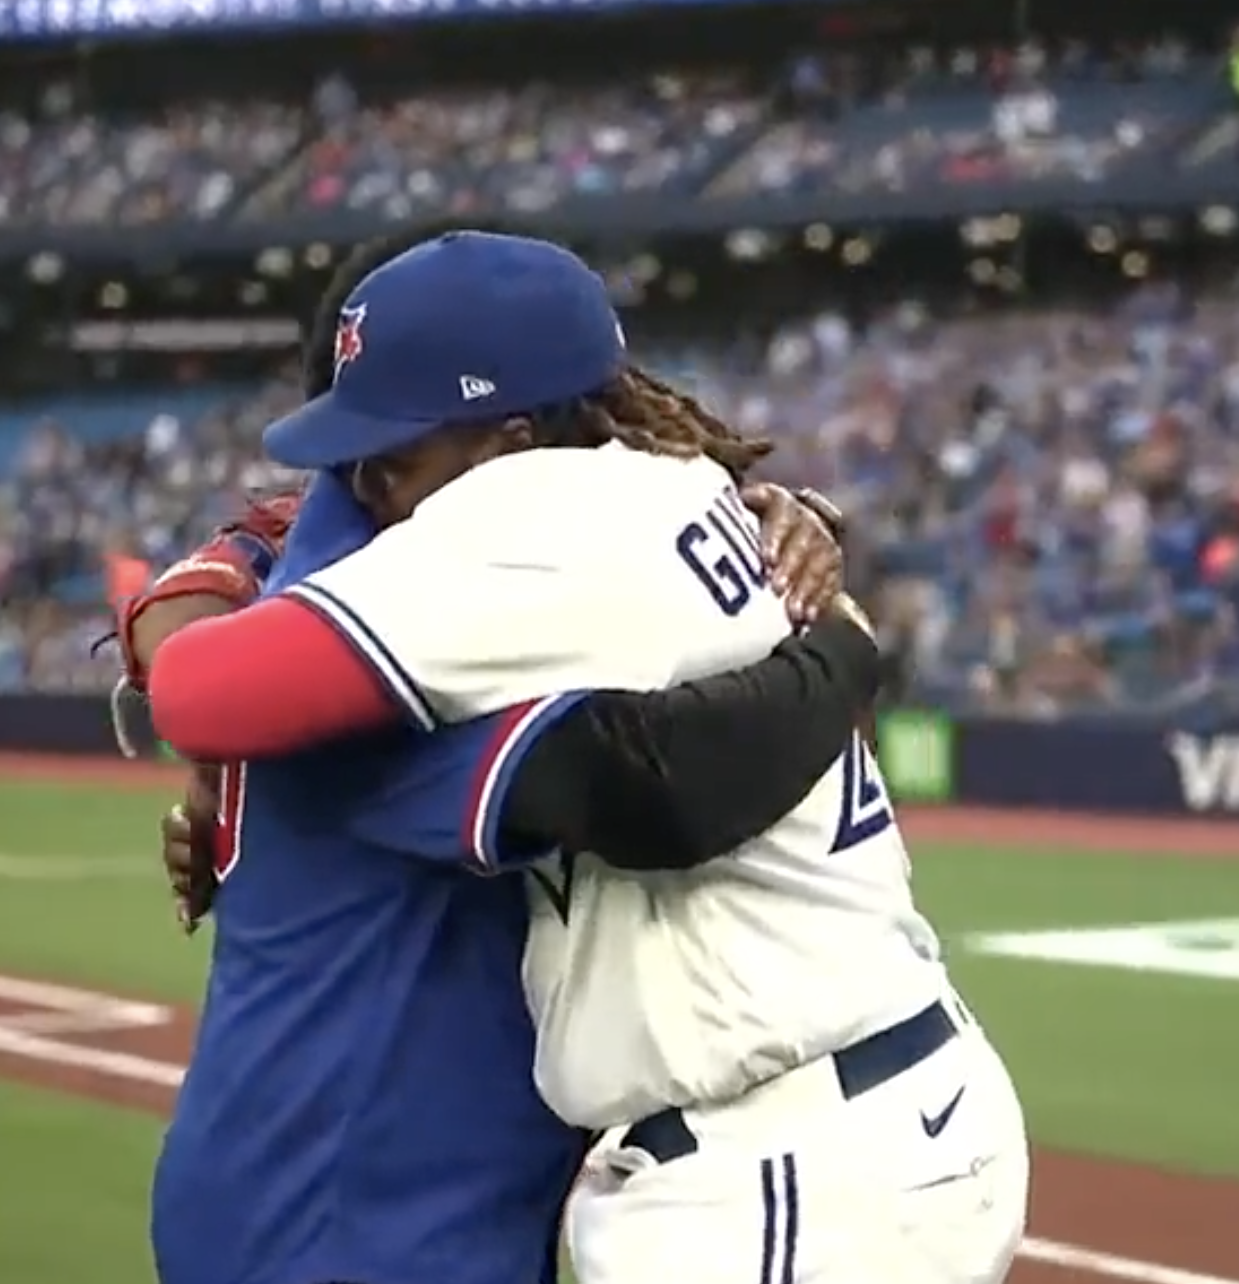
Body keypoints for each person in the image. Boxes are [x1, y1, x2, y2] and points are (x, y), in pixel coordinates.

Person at [151, 231, 1029, 1284]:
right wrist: (841, 638)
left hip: (782, 1150)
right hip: (839, 1117)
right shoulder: (676, 490)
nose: (373, 485)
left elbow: (655, 788)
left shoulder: (524, 533)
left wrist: (844, 647)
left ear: (511, 440)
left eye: (394, 454)